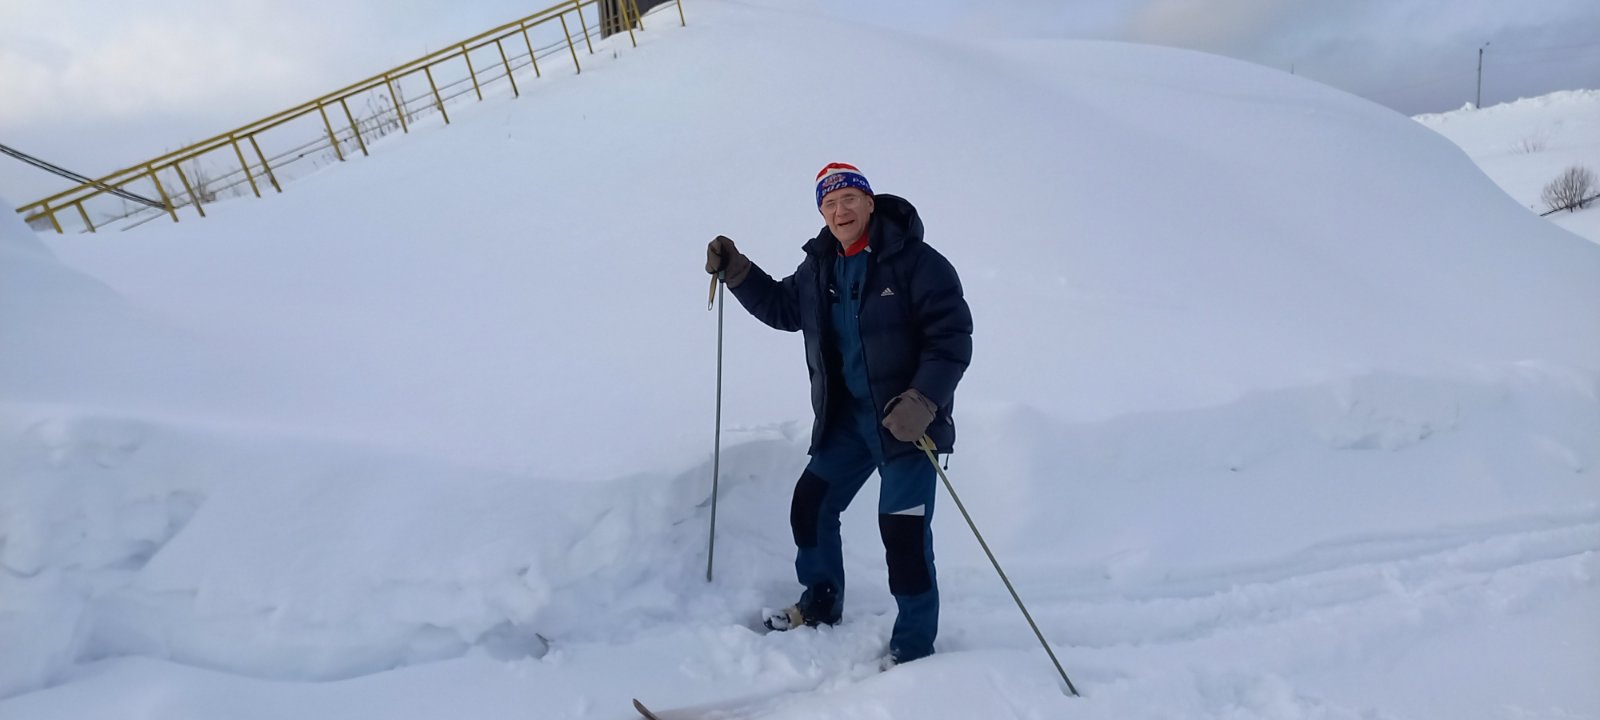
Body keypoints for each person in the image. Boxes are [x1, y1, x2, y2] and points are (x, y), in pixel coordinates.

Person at [704, 162, 973, 666]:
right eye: (828, 204)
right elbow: (785, 308)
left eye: (849, 198)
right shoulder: (821, 266)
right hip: (848, 423)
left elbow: (951, 338)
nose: (839, 210)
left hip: (907, 427)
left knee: (904, 535)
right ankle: (821, 604)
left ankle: (913, 647)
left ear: (870, 203)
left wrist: (923, 401)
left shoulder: (917, 263)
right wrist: (737, 270)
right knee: (811, 506)